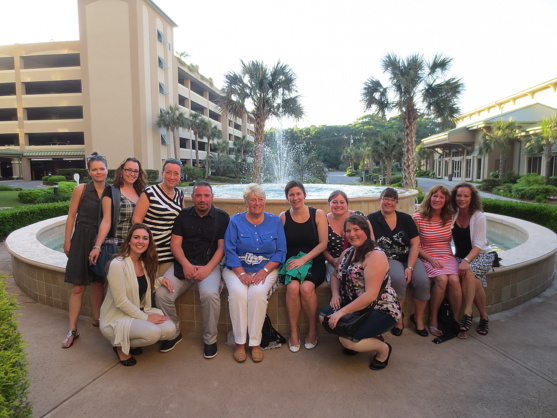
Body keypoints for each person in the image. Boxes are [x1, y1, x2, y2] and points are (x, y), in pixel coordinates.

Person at [154, 181, 230, 357]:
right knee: (161, 295)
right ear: (193, 197)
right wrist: (186, 264)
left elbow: (221, 248)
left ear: (212, 197)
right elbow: (175, 244)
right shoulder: (183, 216)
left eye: (206, 195)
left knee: (210, 295)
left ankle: (210, 340)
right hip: (183, 264)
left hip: (209, 266)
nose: (202, 199)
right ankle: (173, 332)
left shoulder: (222, 217)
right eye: (198, 195)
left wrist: (208, 268)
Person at [320, 214, 401, 370]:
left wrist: (340, 312)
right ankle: (363, 337)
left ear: (366, 231)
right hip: (355, 305)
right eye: (348, 231)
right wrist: (336, 294)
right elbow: (335, 275)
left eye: (356, 229)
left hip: (380, 308)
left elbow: (370, 295)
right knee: (323, 317)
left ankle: (383, 349)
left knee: (347, 340)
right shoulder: (348, 252)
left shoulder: (375, 255)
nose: (352, 234)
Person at [223, 184, 286, 363]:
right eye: (252, 200)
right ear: (246, 203)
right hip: (236, 269)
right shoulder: (235, 221)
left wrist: (264, 271)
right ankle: (240, 343)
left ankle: (255, 343)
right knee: (237, 294)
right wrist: (242, 274)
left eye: (260, 199)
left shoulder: (274, 222)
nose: (257, 203)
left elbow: (280, 251)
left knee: (257, 294)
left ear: (265, 202)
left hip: (266, 269)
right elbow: (230, 250)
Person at [100, 223, 176, 366]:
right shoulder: (118, 264)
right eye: (136, 237)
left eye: (145, 238)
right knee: (152, 333)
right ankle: (119, 346)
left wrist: (160, 281)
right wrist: (146, 318)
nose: (140, 241)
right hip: (117, 317)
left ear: (149, 242)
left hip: (136, 311)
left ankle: (131, 343)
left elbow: (142, 288)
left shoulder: (144, 262)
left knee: (170, 330)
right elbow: (121, 301)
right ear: (129, 241)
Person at [368, 187, 430, 337]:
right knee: (398, 279)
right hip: (388, 258)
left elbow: (415, 244)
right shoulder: (371, 219)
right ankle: (398, 317)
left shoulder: (406, 219)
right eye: (386, 198)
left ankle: (418, 318)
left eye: (392, 199)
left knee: (422, 281)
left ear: (396, 202)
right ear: (380, 200)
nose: (389, 202)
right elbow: (371, 244)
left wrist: (409, 266)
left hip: (409, 256)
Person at [61, 152, 108, 348]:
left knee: (98, 284)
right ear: (89, 171)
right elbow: (71, 216)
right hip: (81, 238)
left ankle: (97, 319)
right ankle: (72, 330)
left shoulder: (112, 190)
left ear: (107, 169)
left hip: (101, 240)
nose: (98, 172)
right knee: (78, 287)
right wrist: (67, 241)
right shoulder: (81, 190)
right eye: (94, 169)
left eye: (102, 168)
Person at [280, 180, 327, 352]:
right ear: (287, 197)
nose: (295, 197)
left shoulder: (318, 214)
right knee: (292, 288)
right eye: (291, 194)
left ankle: (313, 330)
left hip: (314, 261)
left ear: (304, 195)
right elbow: (280, 245)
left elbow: (323, 244)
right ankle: (294, 331)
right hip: (292, 262)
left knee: (306, 288)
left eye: (298, 194)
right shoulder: (283, 217)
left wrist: (304, 259)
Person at [89, 157, 147, 282]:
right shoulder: (112, 191)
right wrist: (97, 246)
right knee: (116, 288)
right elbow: (106, 221)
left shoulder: (142, 192)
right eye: (128, 170)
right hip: (118, 249)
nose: (132, 174)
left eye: (135, 171)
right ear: (121, 171)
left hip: (137, 248)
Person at [413, 185, 460, 337]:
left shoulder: (448, 217)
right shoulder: (418, 217)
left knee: (453, 279)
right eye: (435, 196)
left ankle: (455, 319)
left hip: (447, 255)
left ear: (446, 200)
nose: (437, 199)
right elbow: (414, 245)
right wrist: (430, 259)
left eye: (441, 197)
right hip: (427, 256)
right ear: (429, 197)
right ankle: (433, 319)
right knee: (441, 279)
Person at [451, 182, 494, 337]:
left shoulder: (478, 217)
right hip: (462, 257)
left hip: (481, 256)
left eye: (466, 196)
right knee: (474, 280)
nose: (462, 198)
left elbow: (478, 245)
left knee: (468, 273)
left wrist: (466, 261)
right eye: (459, 195)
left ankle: (467, 313)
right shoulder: (452, 214)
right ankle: (484, 316)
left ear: (472, 197)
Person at [133, 158, 184, 277]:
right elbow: (136, 221)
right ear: (162, 173)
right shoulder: (149, 193)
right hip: (150, 252)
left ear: (180, 176)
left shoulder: (179, 194)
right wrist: (144, 245)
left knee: (161, 291)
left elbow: (181, 222)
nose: (172, 177)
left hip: (169, 254)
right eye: (168, 172)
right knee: (147, 290)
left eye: (176, 173)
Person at [323, 190, 370, 283]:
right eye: (334, 202)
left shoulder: (358, 216)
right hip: (334, 263)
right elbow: (321, 245)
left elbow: (371, 240)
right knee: (338, 282)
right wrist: (331, 260)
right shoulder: (323, 220)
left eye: (342, 202)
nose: (338, 205)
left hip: (359, 260)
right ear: (329, 204)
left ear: (347, 204)